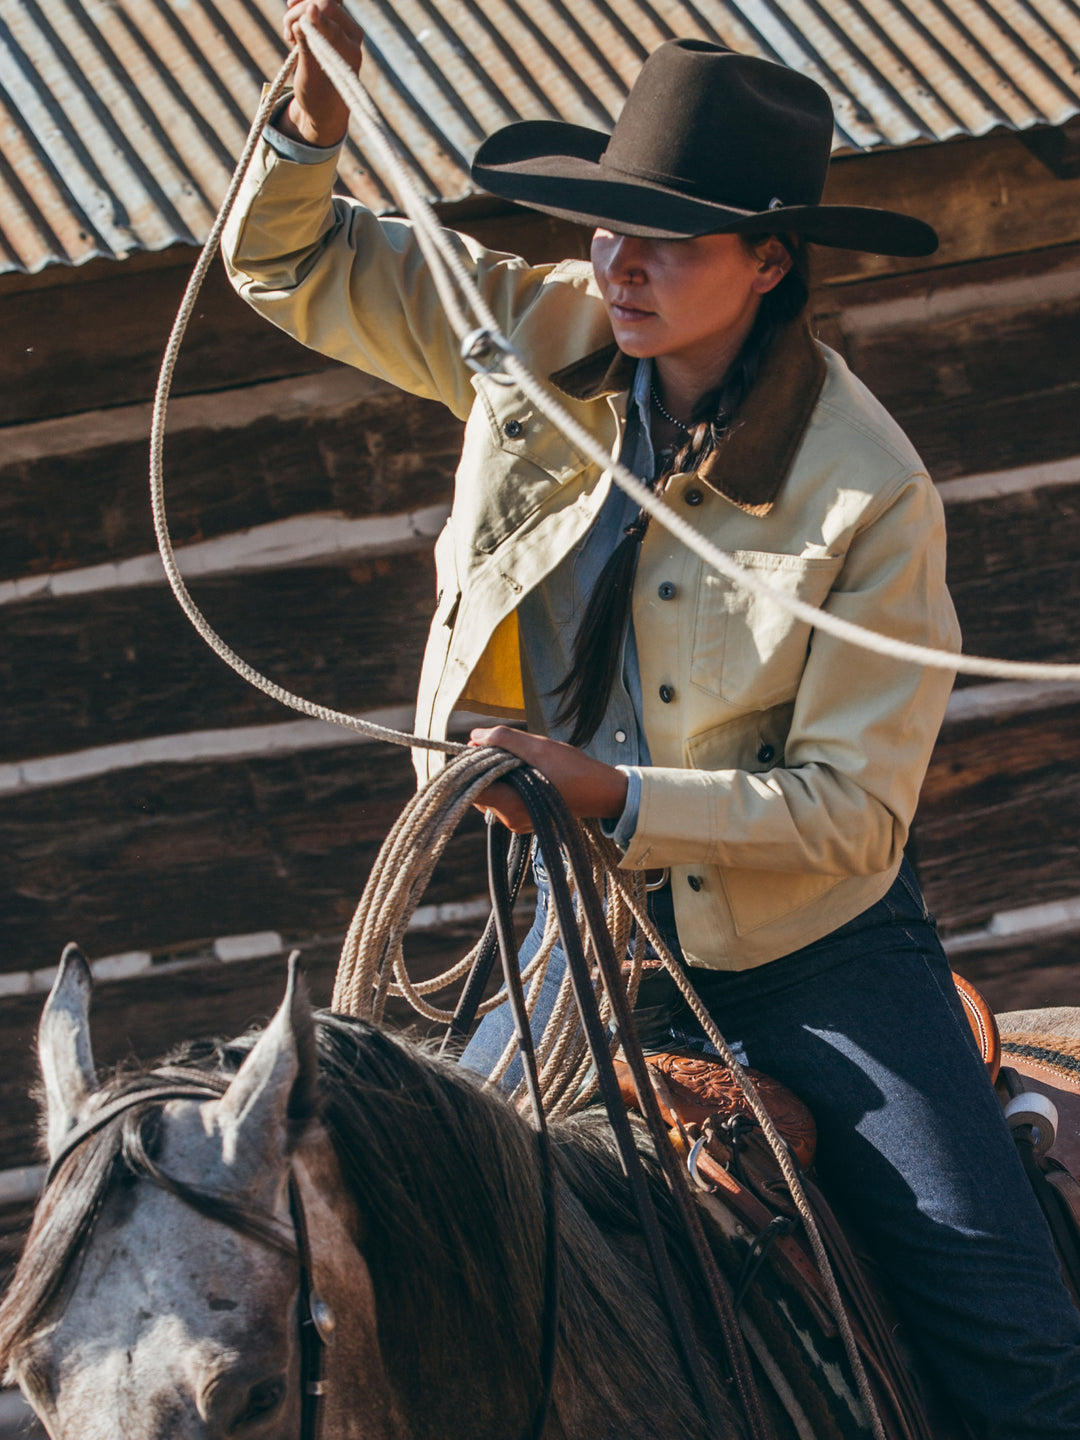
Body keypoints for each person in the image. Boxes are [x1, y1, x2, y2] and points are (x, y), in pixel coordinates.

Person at [223, 8, 1080, 1433]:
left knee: (1018, 1343)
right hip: (569, 928)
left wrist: (612, 795)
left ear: (768, 261)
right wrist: (308, 124)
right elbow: (286, 263)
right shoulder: (530, 335)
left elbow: (852, 813)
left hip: (810, 958)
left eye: (669, 238)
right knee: (395, 1250)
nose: (620, 264)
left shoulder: (868, 492)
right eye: (611, 226)